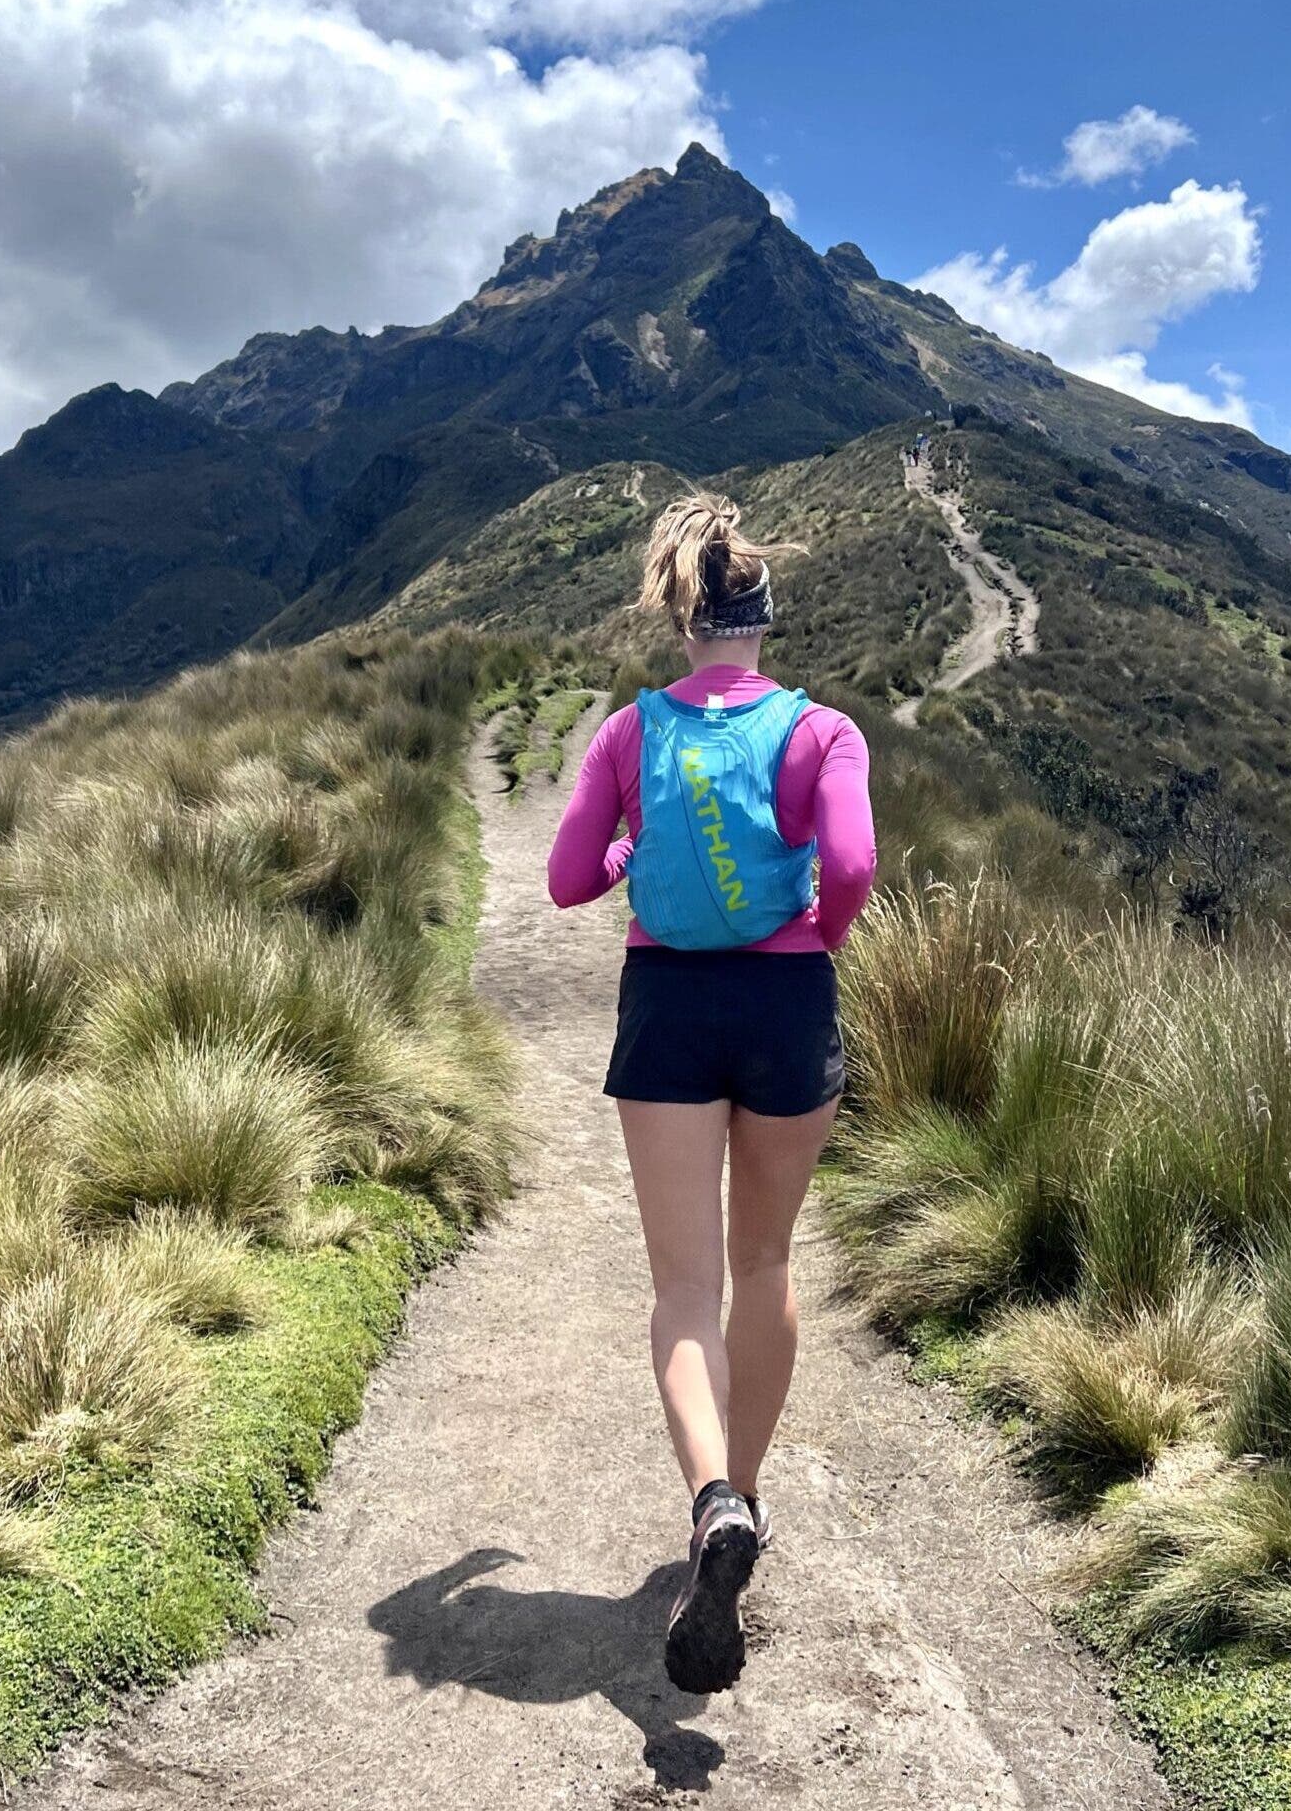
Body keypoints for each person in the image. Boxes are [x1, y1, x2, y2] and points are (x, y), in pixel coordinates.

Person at [546, 493, 877, 1696]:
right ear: (764, 617)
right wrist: (816, 934)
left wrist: (635, 850)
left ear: (685, 618)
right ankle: (743, 1498)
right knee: (767, 1264)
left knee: (684, 1285)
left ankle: (712, 1501)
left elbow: (569, 877)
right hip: (787, 1006)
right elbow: (849, 864)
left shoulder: (629, 733)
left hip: (670, 1007)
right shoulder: (822, 731)